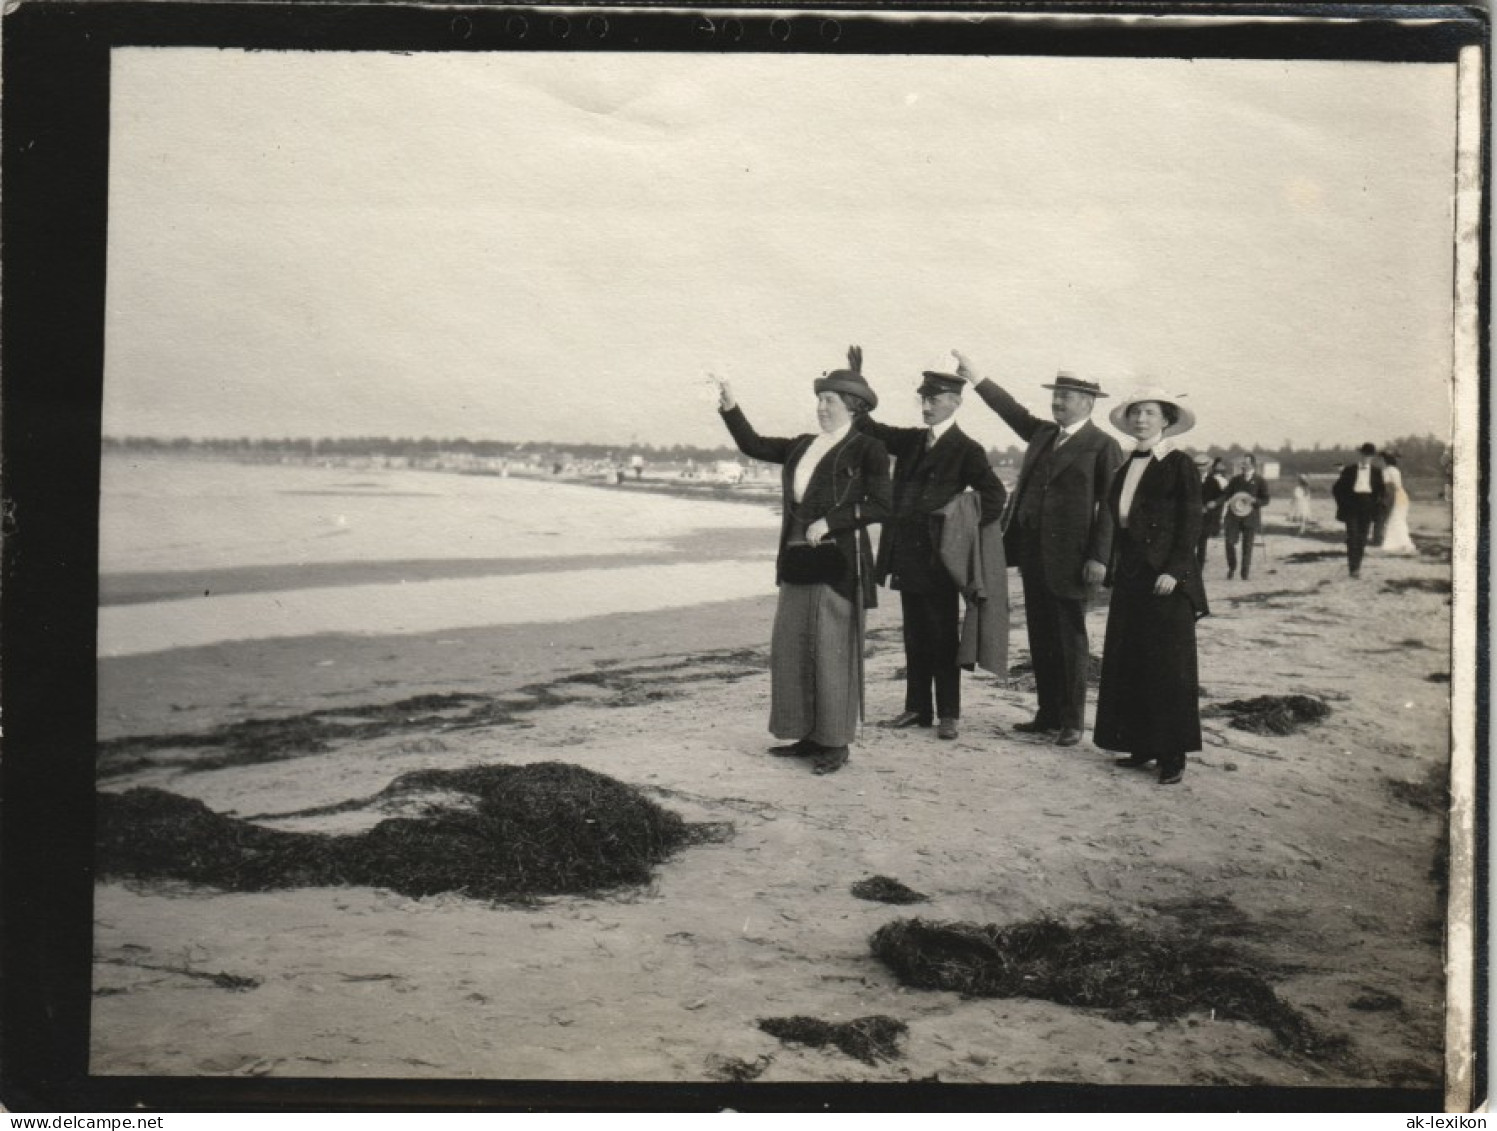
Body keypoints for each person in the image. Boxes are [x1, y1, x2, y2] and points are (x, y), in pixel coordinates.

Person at [714, 357, 892, 775]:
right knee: (793, 647)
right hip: (797, 560)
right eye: (819, 399)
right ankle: (806, 734)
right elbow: (753, 445)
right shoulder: (802, 444)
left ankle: (835, 742)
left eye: (829, 400)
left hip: (838, 563)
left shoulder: (869, 447)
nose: (821, 407)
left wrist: (832, 521)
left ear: (853, 405)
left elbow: (883, 504)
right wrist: (729, 405)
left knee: (830, 652)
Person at [963, 355, 1122, 747]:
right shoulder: (1043, 434)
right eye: (1056, 395)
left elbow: (1112, 509)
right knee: (1041, 637)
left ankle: (1071, 721)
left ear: (1088, 401)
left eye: (1066, 396)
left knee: (1069, 641)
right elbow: (1009, 409)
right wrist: (978, 377)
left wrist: (1100, 558)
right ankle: (1048, 715)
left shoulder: (1104, 445)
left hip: (1073, 560)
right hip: (1031, 554)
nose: (1058, 402)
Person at [853, 349, 1006, 742]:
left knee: (941, 637)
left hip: (940, 561)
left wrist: (956, 526)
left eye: (933, 400)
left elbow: (993, 497)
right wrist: (857, 380)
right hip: (906, 555)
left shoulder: (967, 448)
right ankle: (917, 708)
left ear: (954, 402)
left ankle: (949, 714)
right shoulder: (911, 441)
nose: (926, 405)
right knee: (914, 635)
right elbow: (869, 428)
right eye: (923, 399)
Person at [1094, 388, 1209, 785]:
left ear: (1166, 420)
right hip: (1131, 575)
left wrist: (1175, 571)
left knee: (1168, 666)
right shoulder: (1125, 468)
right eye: (1135, 413)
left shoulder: (1179, 465)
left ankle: (1172, 754)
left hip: (1167, 578)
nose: (1141, 419)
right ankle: (1141, 744)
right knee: (1132, 659)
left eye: (1149, 413)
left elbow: (1192, 523)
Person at [1331, 442, 1387, 579]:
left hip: (1367, 506)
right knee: (1353, 536)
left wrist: (1377, 505)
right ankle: (1353, 568)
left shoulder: (1377, 472)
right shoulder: (1349, 470)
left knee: (1362, 538)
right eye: (1364, 455)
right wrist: (1343, 504)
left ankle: (1357, 566)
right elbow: (1337, 489)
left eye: (1369, 456)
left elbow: (1382, 491)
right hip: (1351, 506)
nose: (1366, 458)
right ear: (1360, 454)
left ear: (1372, 457)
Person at [1221, 454, 1270, 580]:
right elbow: (1226, 495)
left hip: (1251, 517)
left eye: (1246, 463)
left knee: (1247, 546)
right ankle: (1232, 567)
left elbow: (1266, 499)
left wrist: (1255, 501)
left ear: (1252, 465)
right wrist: (1215, 502)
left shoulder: (1260, 480)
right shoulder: (1235, 480)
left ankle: (1245, 572)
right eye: (1242, 463)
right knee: (1229, 542)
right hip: (1233, 516)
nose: (1243, 466)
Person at [1377, 451, 1416, 555]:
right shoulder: (1395, 470)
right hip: (1402, 495)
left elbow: (1386, 486)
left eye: (1381, 460)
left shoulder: (1387, 471)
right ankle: (1401, 542)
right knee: (1399, 519)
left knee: (1394, 519)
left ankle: (1398, 543)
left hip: (1394, 495)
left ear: (1385, 461)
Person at [1196, 456, 1228, 569]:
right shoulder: (1189, 480)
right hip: (1191, 518)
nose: (1200, 468)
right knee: (1188, 545)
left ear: (1207, 467)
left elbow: (1223, 496)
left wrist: (1215, 502)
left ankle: (1199, 571)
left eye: (1202, 466)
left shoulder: (1213, 481)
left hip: (1206, 519)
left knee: (1202, 545)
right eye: (1197, 466)